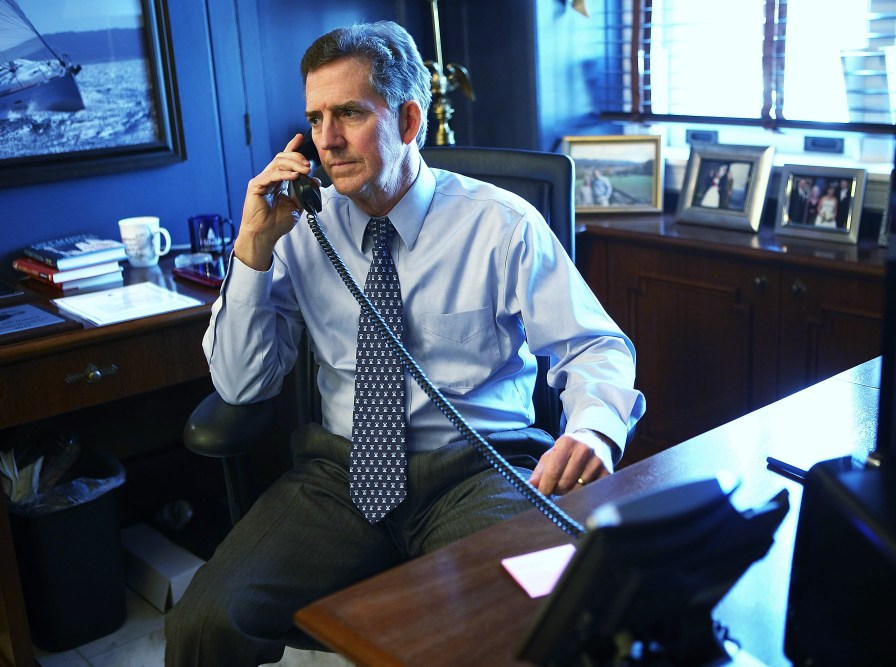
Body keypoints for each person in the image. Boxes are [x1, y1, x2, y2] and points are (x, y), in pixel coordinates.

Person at [164, 20, 644, 666]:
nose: (326, 140)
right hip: (339, 475)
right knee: (203, 623)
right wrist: (251, 253)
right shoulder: (299, 225)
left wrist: (592, 430)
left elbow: (596, 347)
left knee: (550, 617)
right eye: (315, 117)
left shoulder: (500, 225)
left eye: (350, 114)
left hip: (475, 470)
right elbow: (242, 384)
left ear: (410, 119)